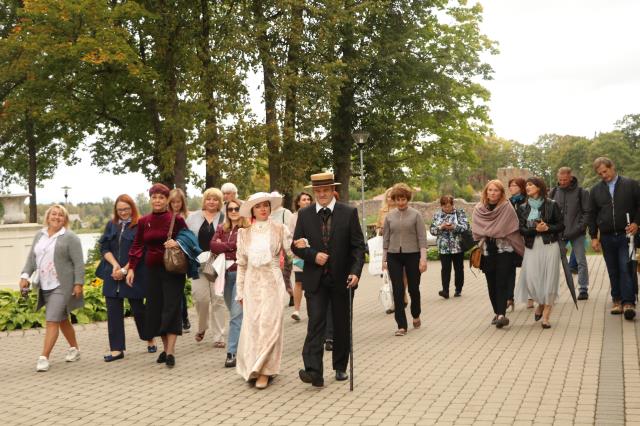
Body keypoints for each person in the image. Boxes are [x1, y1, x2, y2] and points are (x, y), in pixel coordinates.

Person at [292, 172, 366, 387]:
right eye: (318, 191)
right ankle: (313, 371)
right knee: (315, 323)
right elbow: (295, 245)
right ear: (314, 192)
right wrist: (313, 255)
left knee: (342, 324)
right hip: (315, 279)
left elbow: (358, 247)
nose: (322, 194)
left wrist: (356, 271)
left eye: (325, 190)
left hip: (343, 278)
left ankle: (341, 366)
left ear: (333, 190)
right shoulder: (305, 215)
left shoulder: (348, 212)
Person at [234, 192, 292, 389]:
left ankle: (265, 371)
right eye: (259, 206)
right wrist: (240, 291)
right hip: (252, 284)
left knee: (270, 326)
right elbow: (241, 265)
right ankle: (253, 366)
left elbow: (292, 252)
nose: (263, 208)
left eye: (266, 205)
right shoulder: (244, 233)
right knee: (253, 327)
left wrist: (303, 245)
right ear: (253, 210)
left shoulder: (280, 229)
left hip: (273, 283)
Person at [127, 183, 188, 368]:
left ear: (167, 200)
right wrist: (131, 268)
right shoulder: (144, 221)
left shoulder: (175, 219)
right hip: (151, 271)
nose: (158, 200)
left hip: (172, 270)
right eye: (154, 197)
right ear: (151, 199)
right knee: (156, 309)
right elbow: (137, 246)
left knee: (171, 308)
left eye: (161, 197)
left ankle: (170, 352)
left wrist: (177, 244)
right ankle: (165, 347)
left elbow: (188, 239)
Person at [19, 204, 84, 372]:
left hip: (62, 285)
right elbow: (31, 259)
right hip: (44, 284)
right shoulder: (39, 236)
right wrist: (25, 276)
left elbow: (78, 263)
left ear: (65, 219)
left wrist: (78, 284)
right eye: (53, 214)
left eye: (60, 215)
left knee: (52, 320)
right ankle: (75, 349)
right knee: (62, 319)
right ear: (47, 217)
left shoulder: (70, 237)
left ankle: (44, 357)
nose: (56, 217)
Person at [97, 195, 156, 362]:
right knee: (113, 311)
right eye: (120, 209)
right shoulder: (112, 225)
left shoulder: (141, 225)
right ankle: (116, 349)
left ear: (132, 208)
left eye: (126, 209)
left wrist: (125, 269)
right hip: (112, 272)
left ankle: (149, 337)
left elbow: (141, 251)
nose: (123, 212)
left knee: (138, 309)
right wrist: (115, 265)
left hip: (133, 273)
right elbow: (104, 247)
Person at [588, 157, 640, 320]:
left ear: (612, 167)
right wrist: (593, 237)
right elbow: (592, 214)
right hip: (607, 236)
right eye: (600, 173)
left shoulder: (631, 184)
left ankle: (628, 303)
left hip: (627, 235)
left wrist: (637, 223)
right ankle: (616, 300)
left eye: (605, 171)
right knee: (613, 270)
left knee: (627, 268)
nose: (604, 175)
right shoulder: (595, 190)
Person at [472, 180, 525, 329]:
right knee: (491, 283)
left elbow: (512, 228)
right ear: (486, 192)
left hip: (504, 250)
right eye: (490, 190)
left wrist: (491, 232)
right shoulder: (479, 209)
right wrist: (491, 232)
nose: (493, 193)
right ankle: (497, 312)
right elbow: (476, 229)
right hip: (487, 251)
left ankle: (502, 314)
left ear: (501, 193)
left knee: (501, 282)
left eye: (496, 190)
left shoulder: (506, 207)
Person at [516, 177, 565, 329]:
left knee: (549, 279)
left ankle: (546, 317)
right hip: (532, 246)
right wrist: (534, 230)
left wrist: (547, 228)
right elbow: (521, 229)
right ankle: (540, 303)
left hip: (550, 245)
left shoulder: (552, 204)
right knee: (531, 279)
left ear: (539, 187)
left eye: (530, 184)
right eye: (526, 185)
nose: (527, 187)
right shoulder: (522, 207)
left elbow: (561, 225)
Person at [382, 183, 428, 335]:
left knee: (414, 288)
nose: (401, 202)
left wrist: (423, 259)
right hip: (394, 255)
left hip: (413, 254)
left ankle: (416, 314)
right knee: (398, 289)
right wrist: (384, 259)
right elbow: (386, 240)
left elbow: (422, 239)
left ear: (407, 199)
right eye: (398, 200)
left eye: (403, 199)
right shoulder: (389, 216)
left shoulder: (416, 215)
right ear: (394, 200)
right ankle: (401, 325)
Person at [211, 198, 250, 368]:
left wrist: (224, 245)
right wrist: (231, 247)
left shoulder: (248, 229)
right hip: (224, 276)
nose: (233, 212)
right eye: (230, 209)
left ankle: (231, 352)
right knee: (235, 314)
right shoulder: (221, 228)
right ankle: (244, 344)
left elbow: (243, 247)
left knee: (235, 315)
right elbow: (212, 245)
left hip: (241, 275)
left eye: (236, 209)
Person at [186, 187, 227, 347]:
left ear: (220, 202)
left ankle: (219, 336)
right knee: (200, 298)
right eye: (209, 199)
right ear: (204, 200)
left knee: (218, 299)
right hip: (197, 264)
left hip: (218, 264)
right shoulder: (193, 217)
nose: (212, 202)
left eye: (215, 199)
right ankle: (202, 326)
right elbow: (186, 238)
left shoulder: (224, 218)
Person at [550, 167, 591, 300]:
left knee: (581, 261)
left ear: (571, 177)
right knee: (553, 262)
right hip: (558, 233)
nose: (562, 182)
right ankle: (552, 290)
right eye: (560, 180)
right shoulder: (553, 192)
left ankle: (583, 288)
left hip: (577, 232)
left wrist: (579, 228)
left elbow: (587, 213)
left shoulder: (581, 192)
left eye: (565, 180)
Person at [430, 195, 468, 298]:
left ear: (452, 204)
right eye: (444, 206)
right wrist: (441, 227)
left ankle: (458, 290)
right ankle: (445, 291)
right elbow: (432, 231)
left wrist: (454, 227)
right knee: (445, 269)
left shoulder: (460, 213)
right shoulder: (437, 215)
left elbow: (465, 227)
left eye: (449, 206)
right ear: (441, 205)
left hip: (458, 246)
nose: (447, 208)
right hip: (443, 247)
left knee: (459, 269)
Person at [168, 188, 192, 333]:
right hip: (167, 255)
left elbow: (189, 236)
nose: (176, 205)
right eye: (173, 202)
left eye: (178, 202)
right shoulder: (166, 215)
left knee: (179, 289)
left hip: (180, 256)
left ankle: (184, 318)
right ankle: (178, 318)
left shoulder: (187, 216)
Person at [288, 191, 313, 321]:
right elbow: (291, 236)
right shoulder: (293, 217)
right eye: (303, 199)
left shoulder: (315, 215)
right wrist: (294, 251)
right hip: (298, 256)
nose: (307, 201)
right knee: (299, 281)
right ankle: (296, 310)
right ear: (298, 202)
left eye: (308, 199)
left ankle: (312, 310)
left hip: (312, 255)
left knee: (311, 282)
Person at [508, 177, 530, 310]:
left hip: (525, 238)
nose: (511, 188)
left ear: (521, 187)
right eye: (510, 185)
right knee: (509, 268)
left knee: (528, 268)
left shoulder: (527, 201)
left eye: (514, 185)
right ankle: (509, 297)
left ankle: (531, 296)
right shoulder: (507, 202)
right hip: (511, 239)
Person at [269, 198, 294, 301]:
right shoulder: (268, 213)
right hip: (272, 250)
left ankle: (291, 293)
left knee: (285, 275)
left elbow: (290, 230)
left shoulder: (286, 212)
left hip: (285, 248)